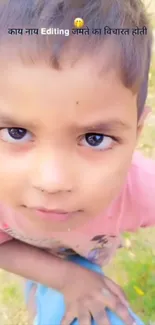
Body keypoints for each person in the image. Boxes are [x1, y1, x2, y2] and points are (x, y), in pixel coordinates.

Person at [0, 0, 154, 324]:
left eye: (95, 138)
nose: (51, 181)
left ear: (137, 131)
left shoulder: (143, 188)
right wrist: (63, 278)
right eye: (15, 132)